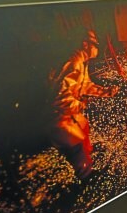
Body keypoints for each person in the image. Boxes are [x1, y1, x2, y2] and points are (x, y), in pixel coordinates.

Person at [50, 29, 118, 178]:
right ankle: (85, 176)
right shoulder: (73, 63)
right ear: (85, 44)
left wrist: (106, 92)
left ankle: (87, 162)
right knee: (78, 145)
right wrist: (80, 105)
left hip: (69, 113)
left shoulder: (82, 63)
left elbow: (85, 85)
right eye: (95, 44)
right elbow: (60, 99)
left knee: (84, 126)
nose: (97, 48)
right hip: (59, 118)